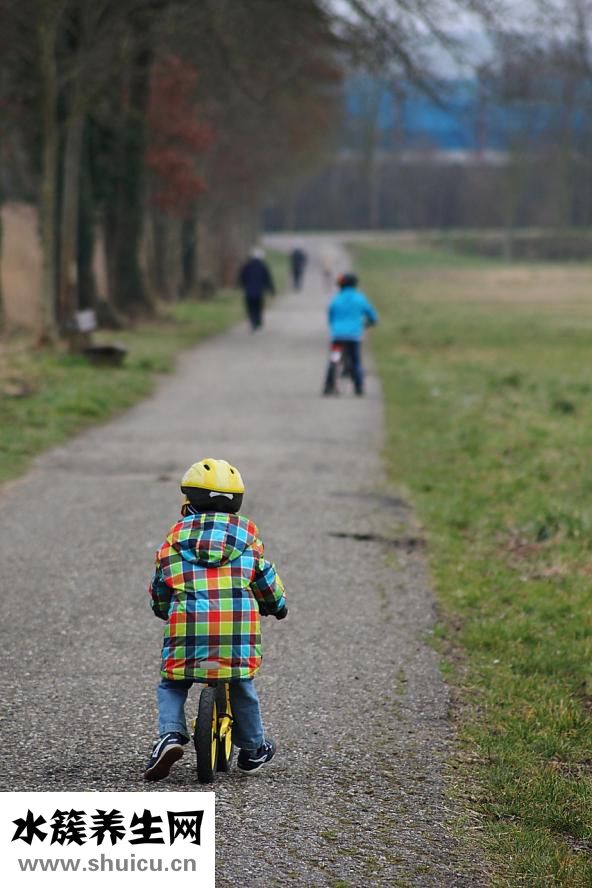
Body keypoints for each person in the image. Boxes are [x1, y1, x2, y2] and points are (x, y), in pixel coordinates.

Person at [144, 458, 287, 781]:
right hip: (237, 633)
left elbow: (161, 585)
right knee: (241, 683)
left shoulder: (173, 543)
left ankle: (170, 734)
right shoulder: (249, 543)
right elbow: (265, 581)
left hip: (188, 628)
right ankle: (253, 747)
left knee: (173, 683)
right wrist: (276, 605)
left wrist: (162, 608)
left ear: (189, 499)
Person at [323, 273, 378, 397]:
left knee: (334, 359)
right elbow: (373, 316)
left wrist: (334, 326)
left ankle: (328, 386)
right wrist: (369, 323)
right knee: (356, 361)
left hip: (338, 336)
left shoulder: (336, 298)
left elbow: (330, 315)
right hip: (354, 336)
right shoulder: (360, 298)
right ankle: (358, 387)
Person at [237, 247, 275, 330]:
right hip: (259, 292)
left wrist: (240, 286)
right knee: (258, 307)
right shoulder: (263, 266)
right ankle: (258, 321)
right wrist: (271, 290)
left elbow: (242, 277)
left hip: (249, 292)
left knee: (250, 307)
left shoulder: (247, 266)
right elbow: (268, 279)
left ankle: (253, 321)